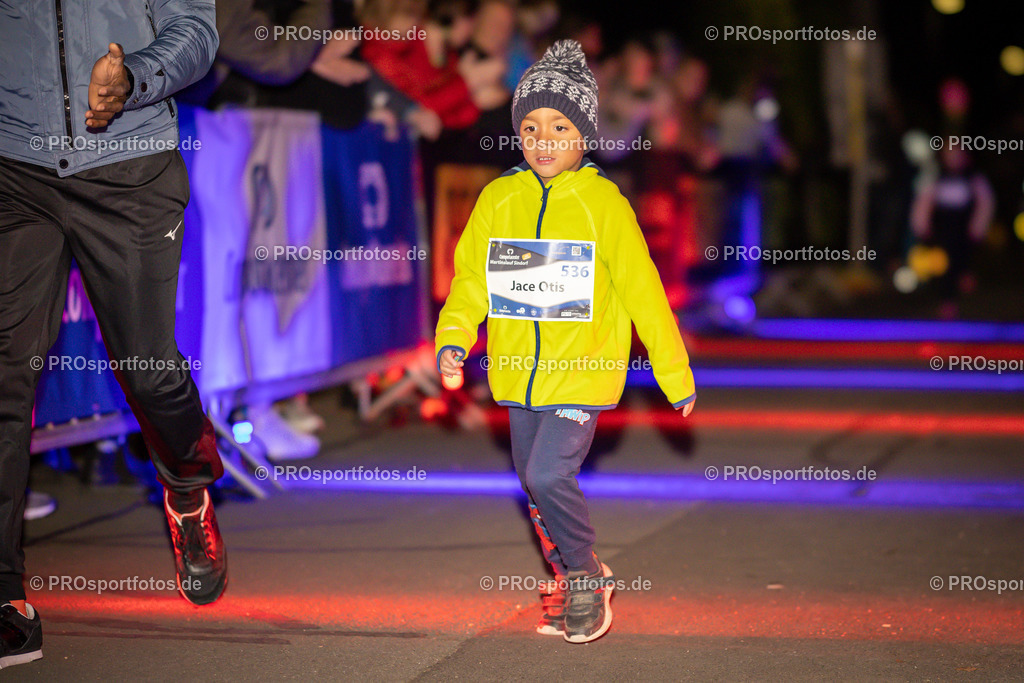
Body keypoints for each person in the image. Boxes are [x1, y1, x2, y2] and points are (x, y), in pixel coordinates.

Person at [435, 40, 696, 643]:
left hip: (583, 372)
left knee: (550, 476)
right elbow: (472, 279)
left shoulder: (604, 202)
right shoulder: (499, 198)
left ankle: (586, 578)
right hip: (518, 373)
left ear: (583, 133)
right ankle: (569, 574)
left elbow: (643, 292)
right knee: (533, 481)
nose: (543, 138)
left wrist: (673, 372)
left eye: (559, 125)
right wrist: (454, 338)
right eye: (529, 126)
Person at [0, 0, 227, 668]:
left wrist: (135, 80)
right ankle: (6, 594)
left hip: (131, 162)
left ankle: (187, 488)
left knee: (149, 369)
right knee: (6, 376)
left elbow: (196, 29)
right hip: (14, 169)